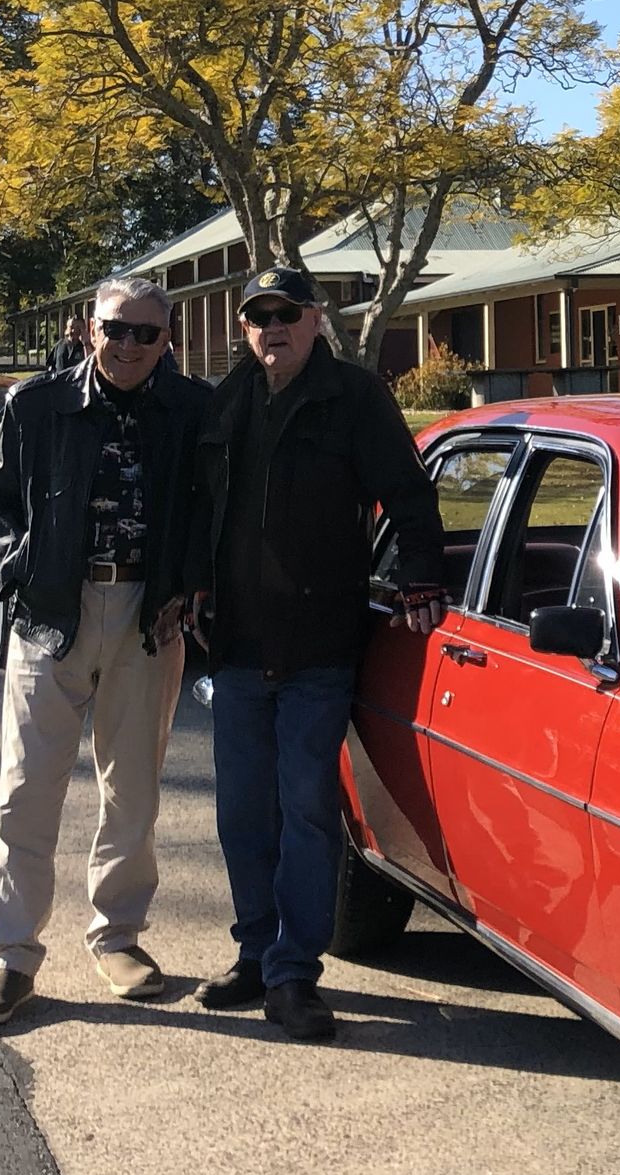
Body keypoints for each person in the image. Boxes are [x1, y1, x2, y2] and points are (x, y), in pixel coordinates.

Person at [184, 267, 446, 1043]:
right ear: (244, 327)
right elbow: (200, 509)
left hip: (318, 647)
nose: (274, 327)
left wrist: (417, 576)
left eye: (288, 313)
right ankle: (256, 954)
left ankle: (296, 974)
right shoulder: (227, 400)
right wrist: (193, 584)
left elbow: (408, 493)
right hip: (235, 646)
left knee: (304, 809)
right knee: (242, 814)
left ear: (315, 318)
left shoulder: (356, 397)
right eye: (259, 316)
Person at [0, 277, 206, 1031]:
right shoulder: (37, 404)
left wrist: (188, 584)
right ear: (85, 327)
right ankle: (10, 957)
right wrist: (17, 569)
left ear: (169, 339)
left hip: (146, 616)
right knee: (26, 793)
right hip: (51, 616)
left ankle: (119, 936)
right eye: (115, 329)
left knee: (133, 791)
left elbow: (211, 506)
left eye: (146, 334)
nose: (128, 346)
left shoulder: (193, 410)